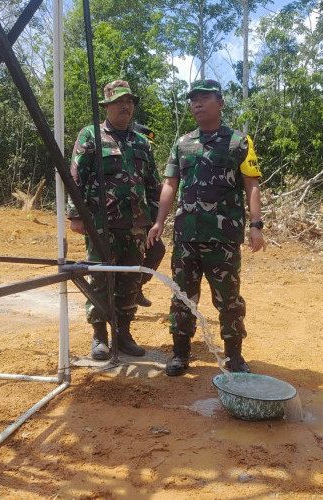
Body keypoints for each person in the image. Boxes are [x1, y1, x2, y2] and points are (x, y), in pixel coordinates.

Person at [147, 79, 265, 376]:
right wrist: (159, 221)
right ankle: (180, 354)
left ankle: (234, 357)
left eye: (203, 98)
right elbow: (170, 184)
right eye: (193, 100)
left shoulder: (240, 142)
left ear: (220, 103)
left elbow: (252, 184)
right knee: (182, 297)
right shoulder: (182, 143)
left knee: (229, 299)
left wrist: (256, 225)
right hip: (187, 236)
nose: (196, 104)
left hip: (222, 237)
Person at [67, 80, 161, 360]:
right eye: (119, 101)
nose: (126, 106)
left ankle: (123, 333)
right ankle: (100, 337)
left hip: (136, 226)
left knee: (129, 281)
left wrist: (156, 221)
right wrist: (75, 215)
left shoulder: (142, 142)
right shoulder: (90, 136)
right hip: (100, 224)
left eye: (129, 101)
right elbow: (76, 177)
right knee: (100, 279)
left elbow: (153, 184)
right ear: (106, 106)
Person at [133, 123, 166, 307]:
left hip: (143, 219)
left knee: (157, 250)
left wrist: (155, 221)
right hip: (118, 219)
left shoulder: (147, 161)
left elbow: (154, 191)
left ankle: (136, 287)